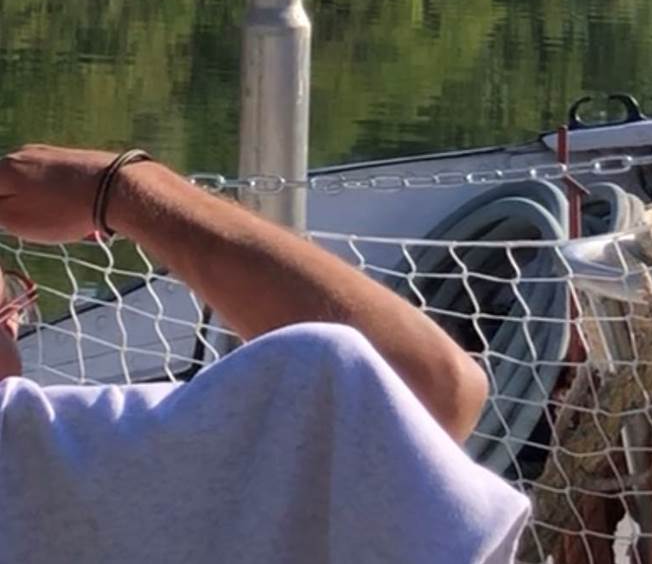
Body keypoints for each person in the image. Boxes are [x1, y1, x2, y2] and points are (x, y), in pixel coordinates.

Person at [0, 144, 530, 563]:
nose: (18, 316)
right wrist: (123, 188)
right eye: (9, 297)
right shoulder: (32, 462)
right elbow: (426, 389)